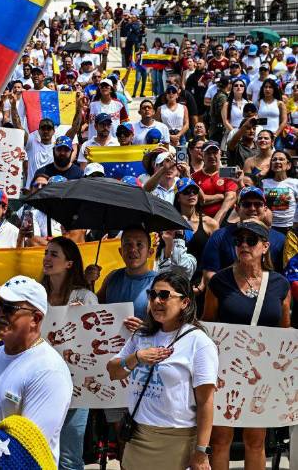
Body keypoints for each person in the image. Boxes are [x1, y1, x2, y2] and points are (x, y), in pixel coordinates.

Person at [0, 276, 72, 467]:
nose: (0, 313)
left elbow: (23, 448)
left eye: (10, 308)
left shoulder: (49, 371)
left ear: (36, 319)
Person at [107, 272, 217, 470]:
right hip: (136, 435)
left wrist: (201, 452)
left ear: (184, 302)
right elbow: (113, 372)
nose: (156, 301)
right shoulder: (141, 335)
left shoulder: (199, 343)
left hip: (176, 439)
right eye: (152, 294)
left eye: (164, 295)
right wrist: (137, 357)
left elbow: (206, 402)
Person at [203, 220, 290, 470]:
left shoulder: (280, 284)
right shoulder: (219, 282)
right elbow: (208, 326)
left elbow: (283, 332)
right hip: (224, 371)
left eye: (251, 241)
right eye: (239, 241)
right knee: (220, 440)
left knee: (256, 440)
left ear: (265, 247)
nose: (243, 245)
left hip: (261, 374)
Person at [40, 236, 97, 470]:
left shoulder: (85, 297)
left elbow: (96, 341)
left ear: (69, 264)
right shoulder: (36, 295)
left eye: (54, 254)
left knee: (68, 458)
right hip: (41, 383)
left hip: (76, 386)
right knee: (40, 451)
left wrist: (83, 319)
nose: (47, 258)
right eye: (46, 252)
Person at [95, 226, 158, 439]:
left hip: (146, 369)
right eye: (128, 244)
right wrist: (87, 283)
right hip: (115, 365)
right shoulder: (112, 278)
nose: (133, 249)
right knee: (122, 434)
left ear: (150, 251)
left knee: (145, 434)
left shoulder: (159, 283)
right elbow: (95, 312)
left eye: (139, 244)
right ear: (120, 251)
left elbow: (171, 325)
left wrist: (145, 327)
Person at [191, 141, 237, 224]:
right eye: (208, 153)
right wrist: (221, 196)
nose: (211, 156)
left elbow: (230, 198)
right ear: (202, 155)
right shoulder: (195, 176)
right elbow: (200, 200)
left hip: (224, 220)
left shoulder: (229, 172)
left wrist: (216, 220)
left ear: (220, 154)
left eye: (215, 153)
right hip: (201, 220)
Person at [261, 149, 298, 233]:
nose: (277, 162)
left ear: (288, 165)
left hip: (291, 228)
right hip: (269, 228)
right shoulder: (263, 183)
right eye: (274, 160)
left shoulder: (295, 183)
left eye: (281, 159)